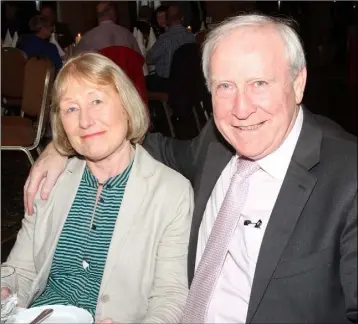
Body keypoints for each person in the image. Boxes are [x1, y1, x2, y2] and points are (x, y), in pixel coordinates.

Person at [23, 14, 357, 323]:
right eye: (225, 86)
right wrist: (61, 146)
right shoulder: (214, 143)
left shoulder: (347, 178)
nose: (241, 109)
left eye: (259, 83)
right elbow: (139, 141)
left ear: (299, 83)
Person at [2, 53, 193, 323]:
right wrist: (6, 291)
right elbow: (20, 269)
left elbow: (170, 296)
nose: (85, 121)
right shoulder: (51, 180)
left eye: (96, 101)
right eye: (71, 108)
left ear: (126, 107)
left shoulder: (171, 193)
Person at [146, 3, 195, 92]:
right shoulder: (192, 37)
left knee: (141, 82)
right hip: (188, 83)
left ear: (167, 20)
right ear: (182, 19)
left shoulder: (165, 39)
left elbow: (149, 59)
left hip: (167, 84)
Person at [74, 2, 141, 56]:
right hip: (123, 72)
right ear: (113, 13)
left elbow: (76, 61)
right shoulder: (128, 35)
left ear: (98, 16)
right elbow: (140, 60)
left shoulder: (87, 38)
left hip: (101, 72)